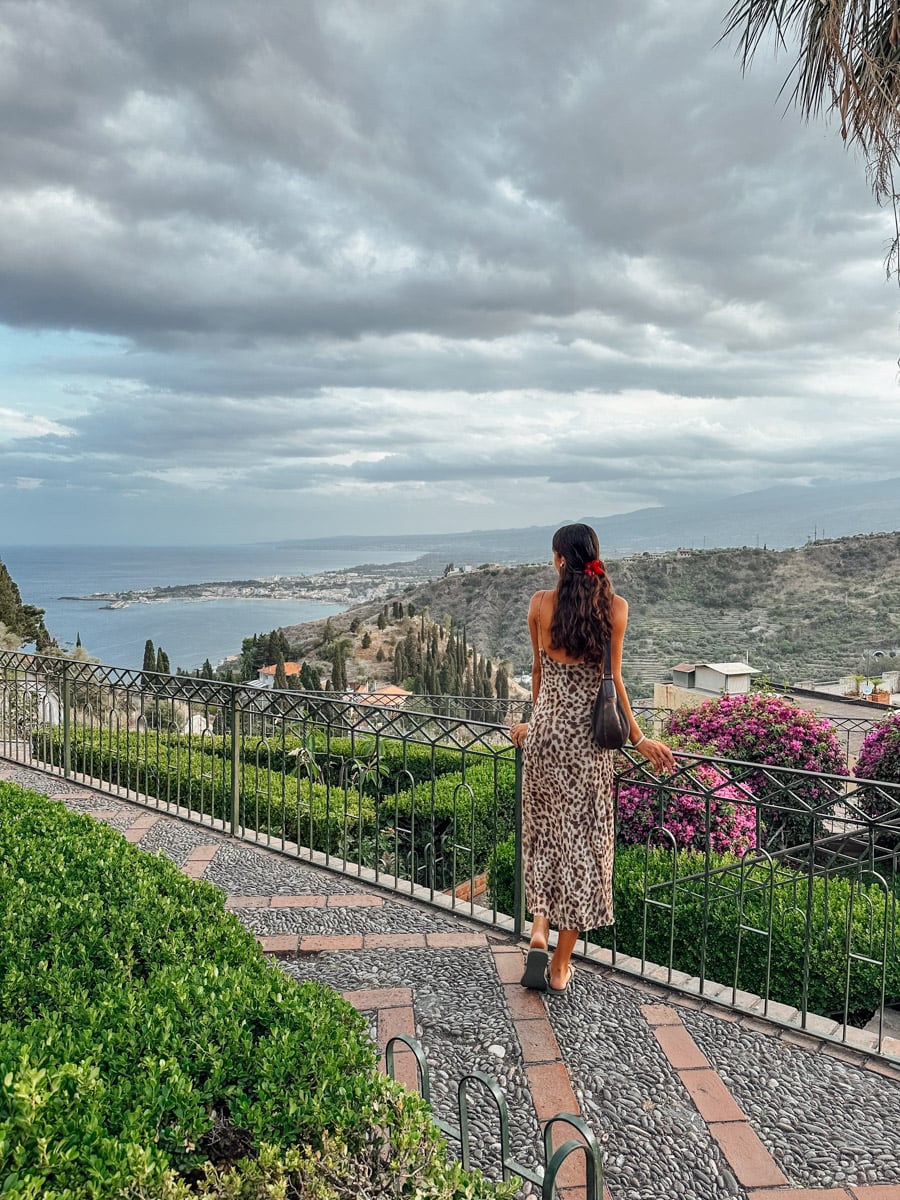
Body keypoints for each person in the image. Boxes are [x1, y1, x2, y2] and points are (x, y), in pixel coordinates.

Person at [509, 523, 674, 993]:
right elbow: (615, 682)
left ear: (561, 559)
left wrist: (534, 724)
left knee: (543, 835)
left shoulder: (541, 604)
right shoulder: (615, 609)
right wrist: (639, 740)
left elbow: (539, 672)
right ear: (595, 556)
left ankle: (538, 926)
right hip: (588, 747)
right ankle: (560, 964)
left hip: (544, 739)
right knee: (585, 847)